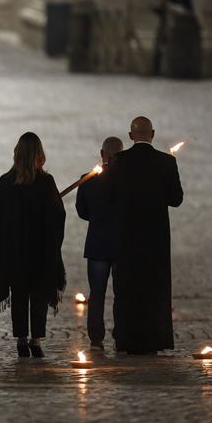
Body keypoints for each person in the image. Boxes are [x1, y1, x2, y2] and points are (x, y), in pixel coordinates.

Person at [110, 117, 183, 354]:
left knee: (128, 288)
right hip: (155, 237)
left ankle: (127, 340)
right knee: (155, 288)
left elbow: (110, 197)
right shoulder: (166, 161)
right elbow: (176, 199)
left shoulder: (118, 161)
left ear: (130, 136)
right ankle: (155, 339)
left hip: (126, 237)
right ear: (153, 134)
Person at [0, 132, 66, 358]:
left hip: (14, 251)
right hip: (40, 251)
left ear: (17, 154)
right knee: (39, 295)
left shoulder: (6, 182)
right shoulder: (46, 182)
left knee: (19, 294)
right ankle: (36, 340)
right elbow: (58, 216)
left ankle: (21, 339)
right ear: (39, 154)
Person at [76, 137, 124, 351]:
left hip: (97, 243)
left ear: (102, 153)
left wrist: (96, 218)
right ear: (121, 155)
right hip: (121, 244)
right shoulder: (128, 180)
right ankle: (120, 335)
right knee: (122, 293)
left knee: (97, 293)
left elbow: (82, 211)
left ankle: (96, 338)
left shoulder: (87, 179)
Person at [151, 0, 177, 75]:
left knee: (160, 47)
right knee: (160, 47)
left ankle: (157, 69)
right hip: (165, 25)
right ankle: (158, 68)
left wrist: (155, 9)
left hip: (166, 25)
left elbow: (165, 11)